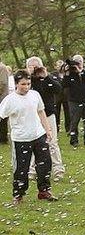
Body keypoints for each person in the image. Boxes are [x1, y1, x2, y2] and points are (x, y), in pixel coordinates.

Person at [1, 70, 57, 204]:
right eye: (23, 84)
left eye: (28, 84)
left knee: (44, 164)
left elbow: (41, 111)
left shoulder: (35, 95)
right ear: (16, 84)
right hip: (21, 138)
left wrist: (47, 129)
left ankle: (44, 190)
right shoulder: (9, 100)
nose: (26, 87)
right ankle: (18, 194)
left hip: (38, 135)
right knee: (22, 168)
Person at [27, 57, 65, 180]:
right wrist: (29, 76)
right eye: (31, 66)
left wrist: (45, 76)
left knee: (52, 142)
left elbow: (58, 89)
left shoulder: (48, 78)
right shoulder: (26, 81)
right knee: (32, 143)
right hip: (32, 116)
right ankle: (32, 170)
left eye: (36, 66)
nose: (34, 68)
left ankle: (58, 170)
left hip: (48, 114)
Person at [62, 55, 85, 147]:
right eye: (76, 61)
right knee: (74, 121)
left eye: (80, 61)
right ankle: (74, 140)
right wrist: (67, 73)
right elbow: (64, 85)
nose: (78, 63)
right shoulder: (70, 74)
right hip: (74, 101)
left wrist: (80, 71)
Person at [0, 60, 11, 144]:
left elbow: (2, 83)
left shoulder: (2, 68)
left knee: (2, 117)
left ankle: (3, 138)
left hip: (2, 97)